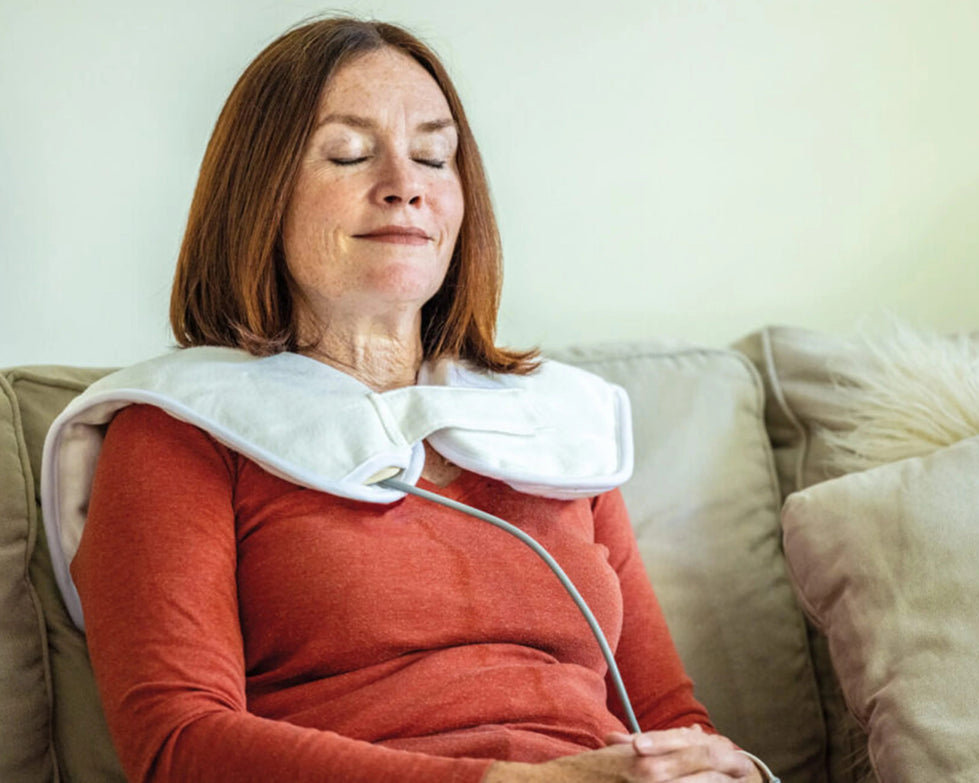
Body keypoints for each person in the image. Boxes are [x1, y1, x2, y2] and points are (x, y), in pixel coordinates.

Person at [67, 16, 769, 783]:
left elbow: (666, 718)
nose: (406, 184)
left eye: (433, 155)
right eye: (350, 153)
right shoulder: (178, 428)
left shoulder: (552, 424)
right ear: (260, 193)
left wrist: (724, 769)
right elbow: (179, 747)